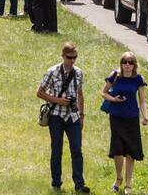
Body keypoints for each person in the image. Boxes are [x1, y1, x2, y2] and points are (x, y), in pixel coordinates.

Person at [36, 42, 90, 193]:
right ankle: (56, 182)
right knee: (57, 149)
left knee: (77, 150)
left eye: (75, 57)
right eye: (69, 57)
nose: (72, 61)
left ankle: (79, 184)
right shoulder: (52, 72)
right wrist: (57, 100)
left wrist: (82, 115)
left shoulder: (78, 73)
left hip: (73, 117)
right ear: (63, 56)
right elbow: (39, 92)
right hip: (56, 116)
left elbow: (80, 94)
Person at [102, 52, 148, 195]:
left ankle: (128, 184)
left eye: (130, 63)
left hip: (132, 118)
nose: (127, 65)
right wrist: (114, 100)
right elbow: (103, 93)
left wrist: (145, 116)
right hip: (116, 117)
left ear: (134, 65)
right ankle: (118, 178)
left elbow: (142, 100)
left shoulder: (138, 79)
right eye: (125, 62)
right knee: (117, 150)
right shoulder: (115, 75)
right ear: (121, 64)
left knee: (130, 151)